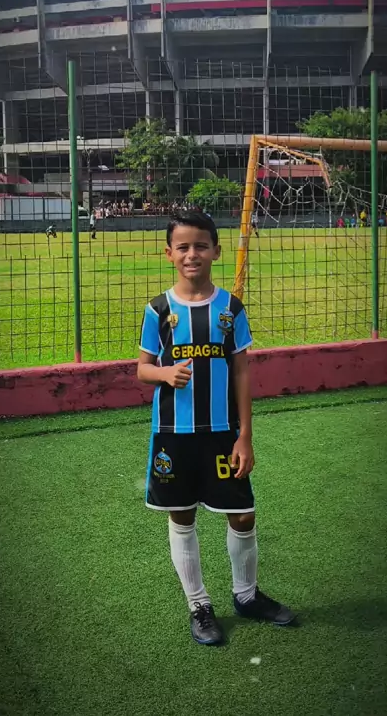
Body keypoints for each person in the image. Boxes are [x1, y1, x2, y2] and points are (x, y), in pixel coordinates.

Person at [137, 211, 296, 646]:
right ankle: (199, 605)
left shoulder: (231, 308)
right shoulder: (158, 310)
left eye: (201, 246)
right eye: (183, 247)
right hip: (173, 434)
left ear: (216, 251)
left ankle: (246, 595)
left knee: (242, 514)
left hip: (224, 433)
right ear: (169, 254)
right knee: (182, 514)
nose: (192, 254)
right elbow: (142, 369)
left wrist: (245, 435)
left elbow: (242, 372)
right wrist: (165, 373)